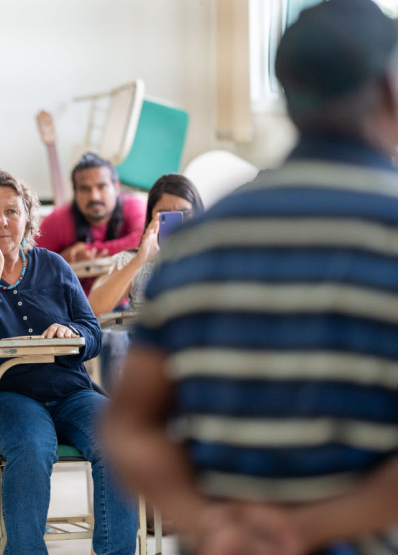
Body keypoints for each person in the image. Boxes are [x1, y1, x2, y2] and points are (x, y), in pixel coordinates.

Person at [102, 2, 398, 554]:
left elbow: (129, 426)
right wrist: (306, 529)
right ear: (389, 87)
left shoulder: (198, 243)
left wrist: (209, 522)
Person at [0, 169, 137, 555]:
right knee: (32, 440)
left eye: (11, 211)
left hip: (68, 393)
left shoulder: (53, 265)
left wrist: (69, 333)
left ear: (28, 216)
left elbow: (91, 332)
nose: (1, 221)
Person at [88, 173, 204, 315]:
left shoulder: (215, 253)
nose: (176, 223)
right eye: (164, 216)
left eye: (184, 214)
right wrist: (140, 260)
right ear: (151, 217)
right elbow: (94, 308)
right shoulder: (133, 260)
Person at [36, 152, 146, 293]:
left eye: (102, 186)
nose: (94, 196)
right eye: (85, 189)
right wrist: (64, 261)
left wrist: (88, 250)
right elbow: (32, 269)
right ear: (75, 192)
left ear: (116, 187)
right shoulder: (57, 220)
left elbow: (144, 241)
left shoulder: (133, 206)